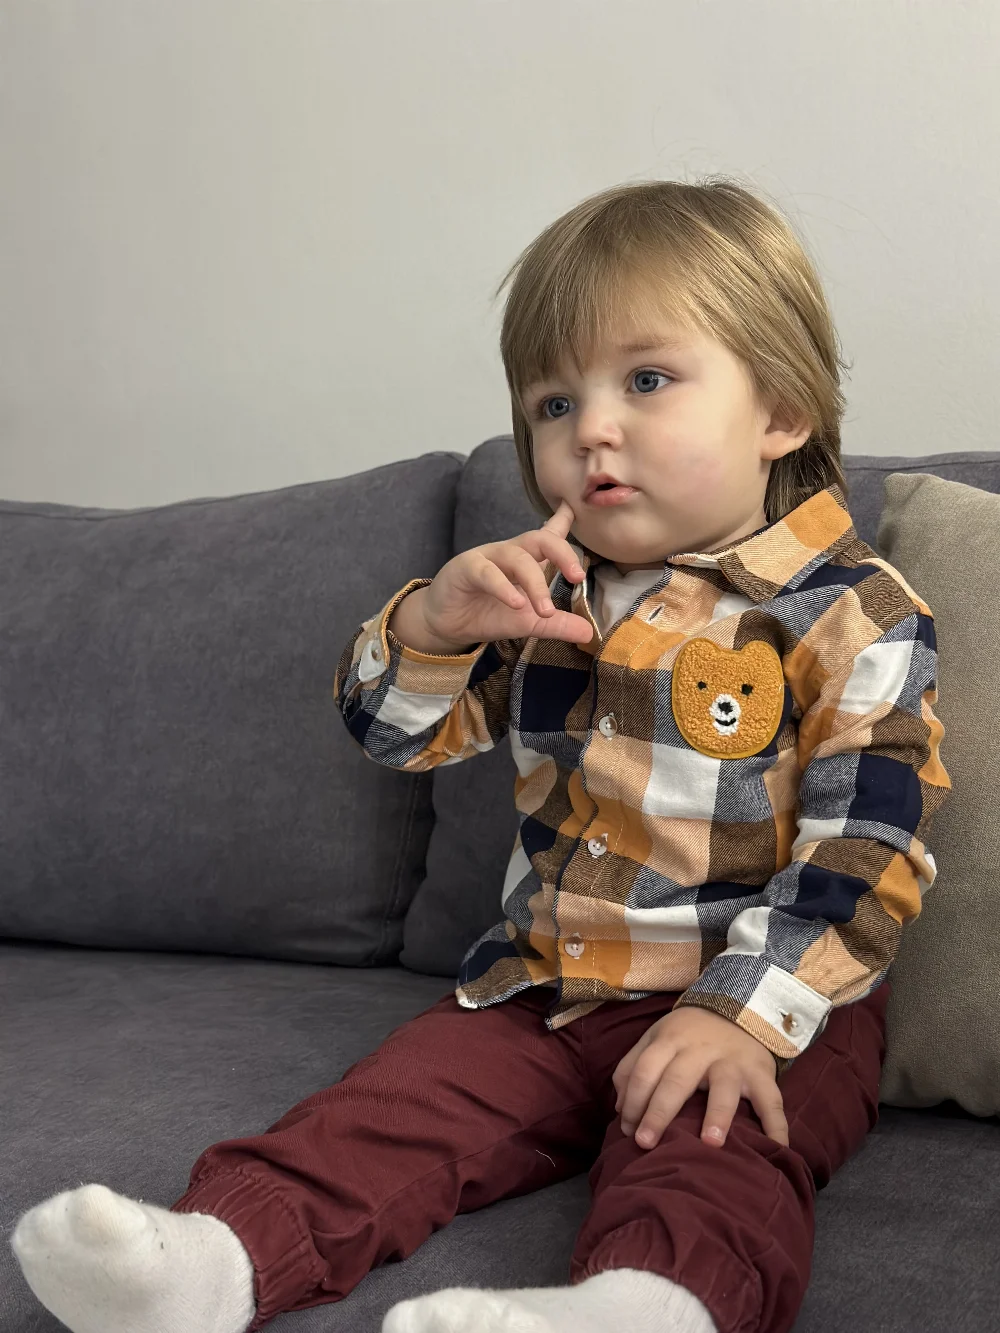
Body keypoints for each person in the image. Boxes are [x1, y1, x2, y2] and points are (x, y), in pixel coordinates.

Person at [11, 178, 950, 1333]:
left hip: (765, 1006)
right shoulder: (548, 594)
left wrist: (738, 1013)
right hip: (541, 987)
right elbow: (397, 735)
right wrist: (432, 628)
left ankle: (642, 1305)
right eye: (553, 402)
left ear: (780, 411)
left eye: (645, 381)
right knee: (390, 1107)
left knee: (713, 1151)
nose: (589, 429)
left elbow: (867, 847)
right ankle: (213, 1261)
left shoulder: (853, 613)